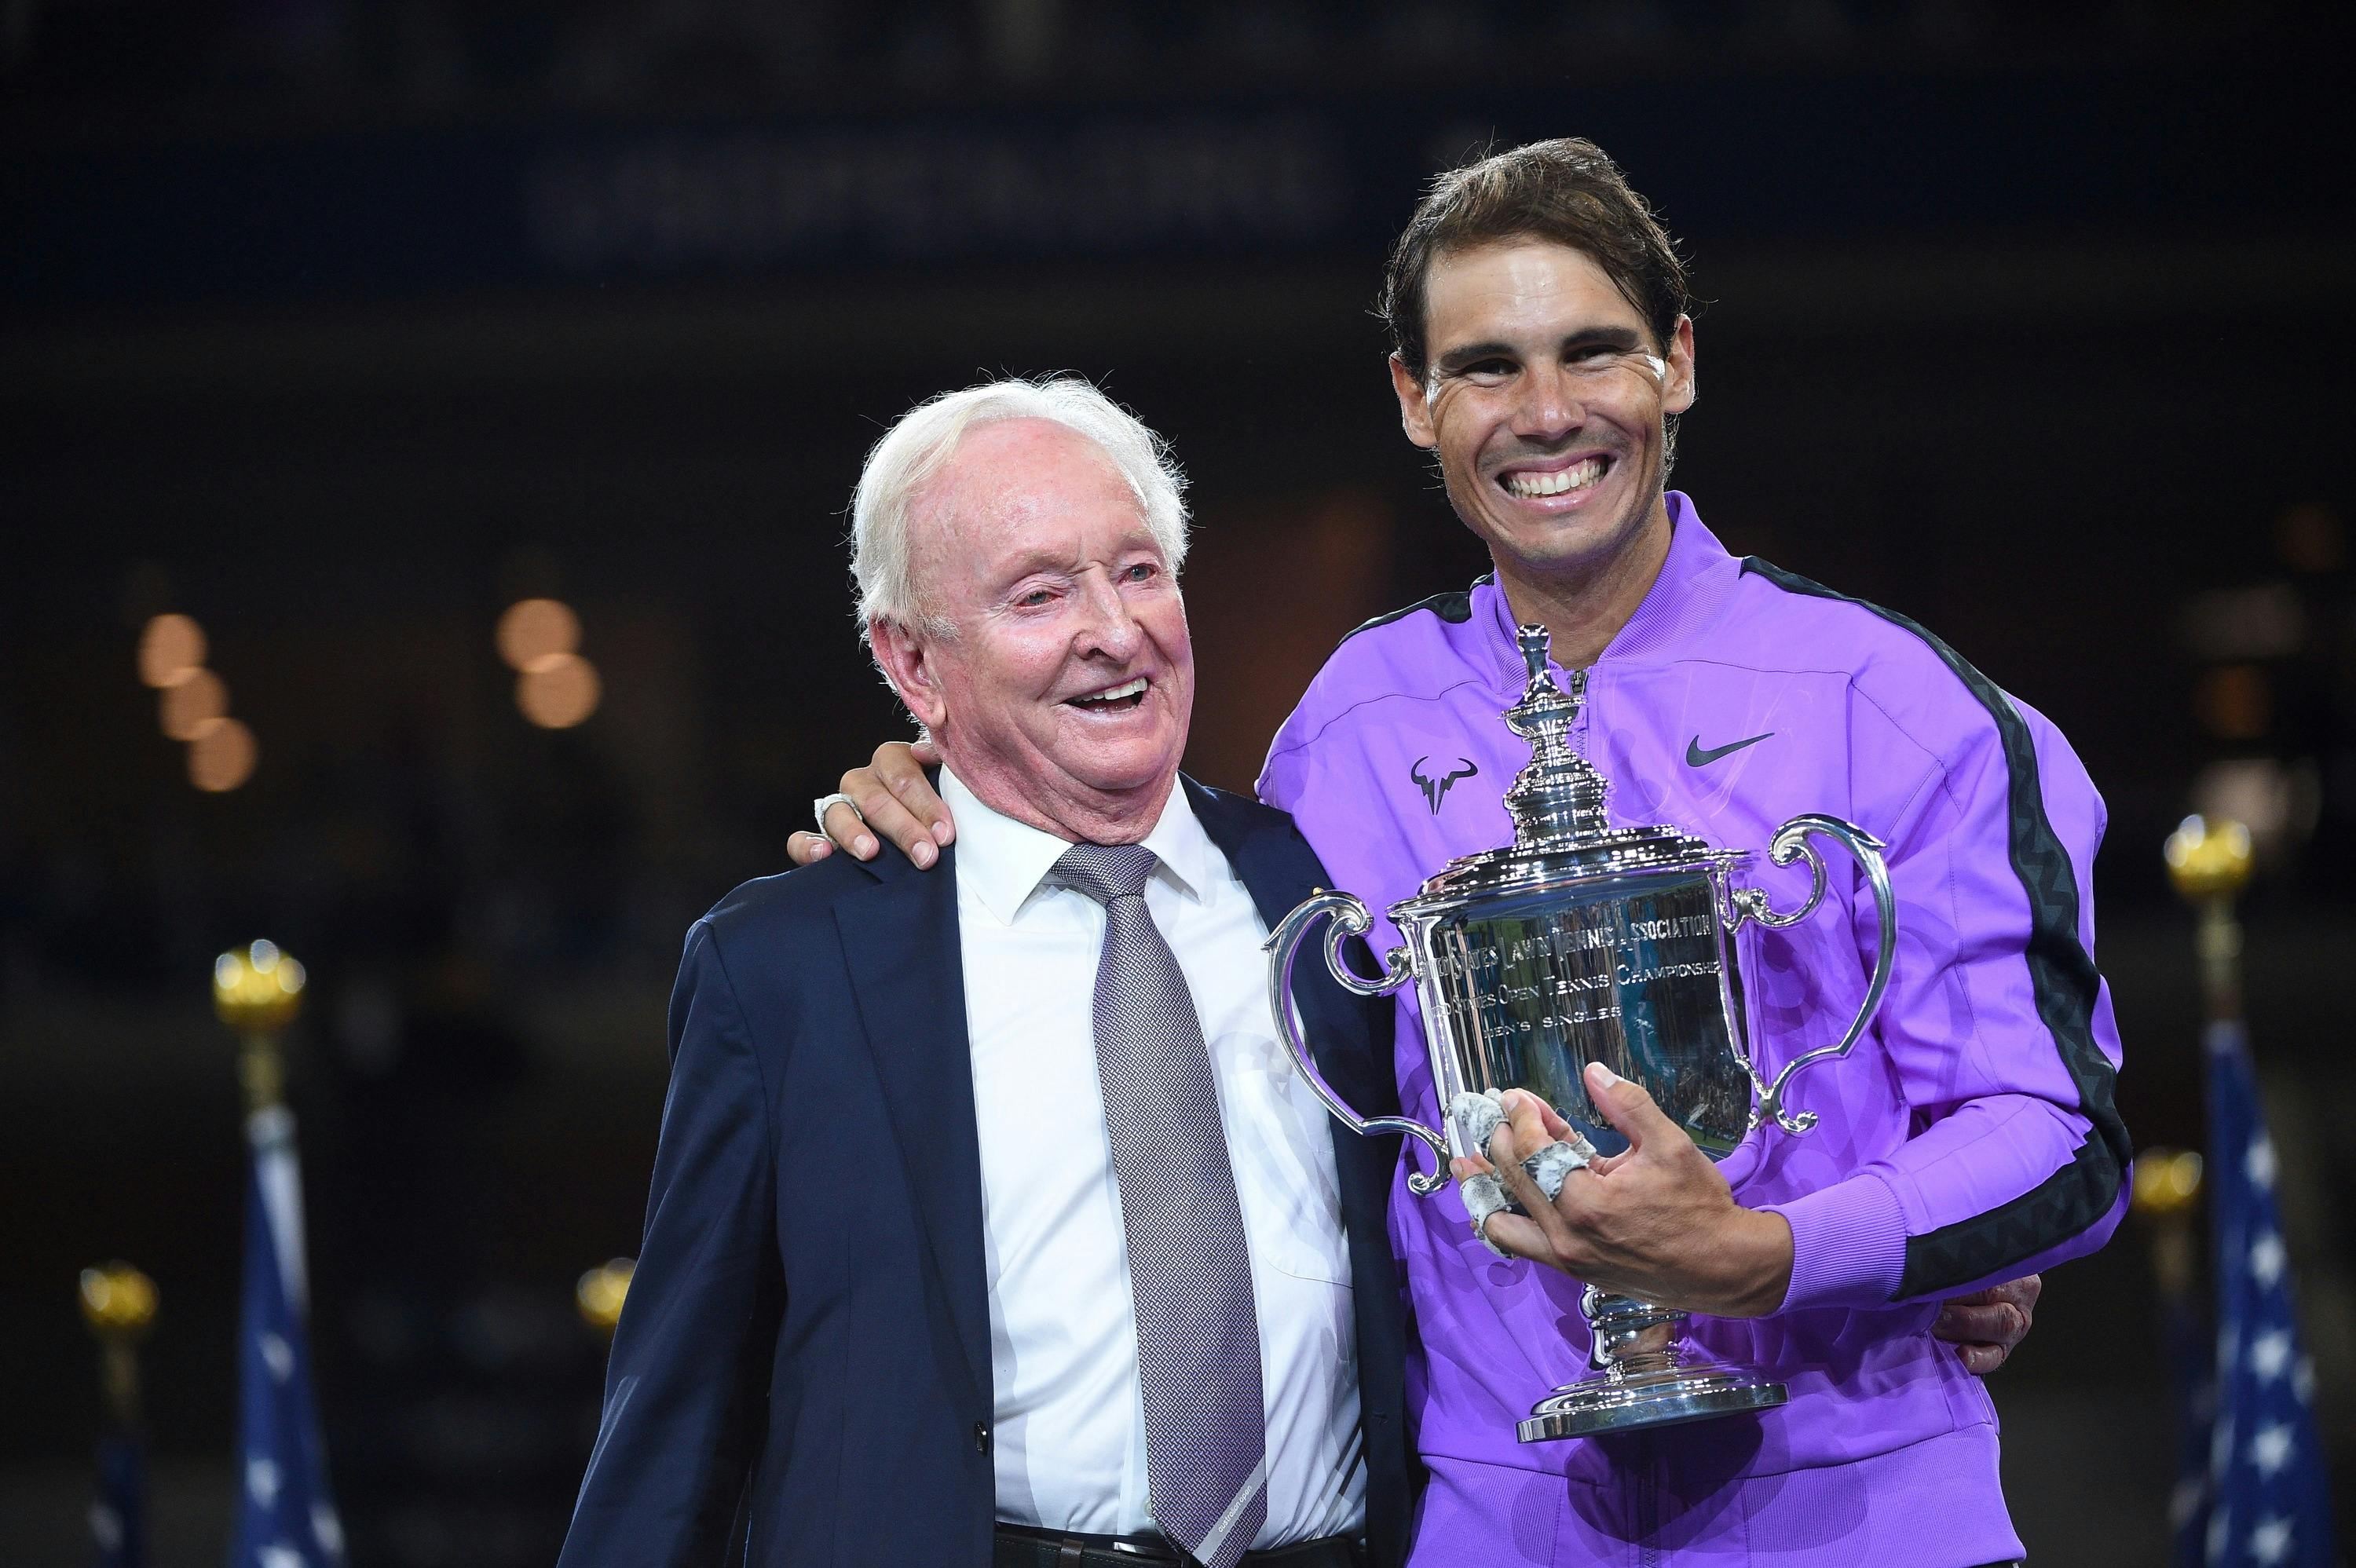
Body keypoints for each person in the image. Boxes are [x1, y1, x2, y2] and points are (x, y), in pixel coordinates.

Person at [793, 139, 2115, 1566]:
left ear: (1676, 363)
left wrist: (1783, 1254)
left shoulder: (1901, 707)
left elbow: (2059, 1139)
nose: (1546, 415)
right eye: (1486, 367)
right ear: (1415, 403)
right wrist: (943, 788)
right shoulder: (1346, 733)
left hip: (1859, 1511)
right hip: (1492, 1522)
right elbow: (1205, 999)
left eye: (1594, 353)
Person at [558, 380, 1415, 1568]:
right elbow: (675, 1424)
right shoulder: (790, 969)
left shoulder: (1326, 892)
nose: (1113, 629)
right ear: (913, 662)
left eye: (1138, 571)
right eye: (1040, 593)